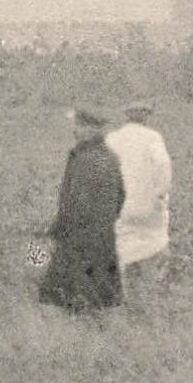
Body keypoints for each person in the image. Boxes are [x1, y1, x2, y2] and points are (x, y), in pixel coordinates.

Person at [39, 108, 126, 311]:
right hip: (104, 238)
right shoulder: (110, 157)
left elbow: (76, 205)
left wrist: (57, 229)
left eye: (79, 126)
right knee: (100, 301)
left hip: (79, 239)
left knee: (64, 298)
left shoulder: (84, 159)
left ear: (92, 129)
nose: (75, 131)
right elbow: (121, 197)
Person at [105, 101, 172, 289]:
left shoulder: (112, 138)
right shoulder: (153, 137)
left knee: (123, 250)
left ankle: (124, 294)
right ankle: (149, 292)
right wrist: (159, 198)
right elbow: (163, 169)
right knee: (154, 249)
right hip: (147, 208)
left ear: (126, 114)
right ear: (146, 116)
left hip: (118, 207)